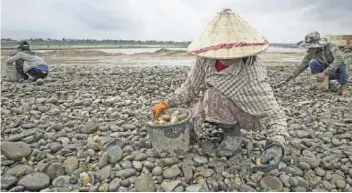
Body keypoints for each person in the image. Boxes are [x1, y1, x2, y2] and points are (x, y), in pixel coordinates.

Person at [152, 8, 289, 172]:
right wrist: (166, 103)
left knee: (211, 95)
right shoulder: (205, 60)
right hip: (220, 103)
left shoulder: (252, 70)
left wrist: (276, 144)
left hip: (247, 113)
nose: (225, 55)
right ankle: (196, 129)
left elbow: (273, 113)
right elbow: (191, 86)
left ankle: (233, 133)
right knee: (192, 105)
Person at [284, 32, 349, 97]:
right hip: (325, 74)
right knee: (312, 63)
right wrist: (291, 76)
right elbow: (302, 65)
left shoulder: (331, 46)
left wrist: (325, 73)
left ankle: (343, 87)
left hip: (339, 73)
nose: (310, 48)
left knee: (341, 63)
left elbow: (339, 59)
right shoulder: (311, 52)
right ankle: (323, 83)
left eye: (311, 46)